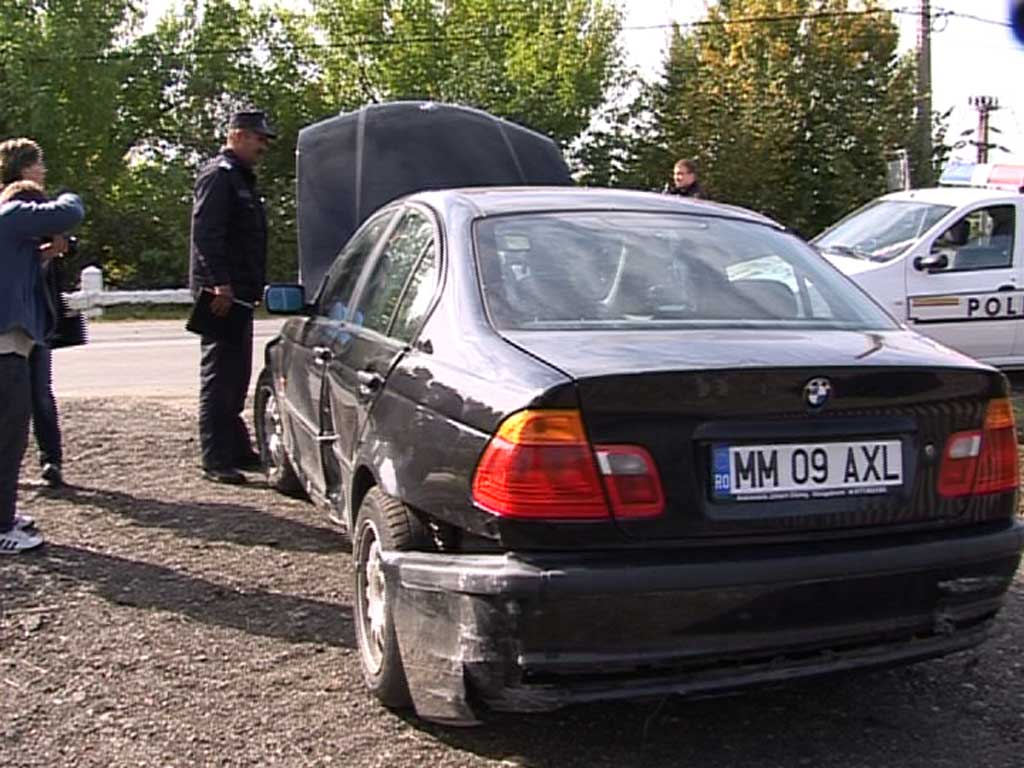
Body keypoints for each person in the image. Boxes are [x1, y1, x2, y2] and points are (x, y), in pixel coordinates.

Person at [0, 162, 84, 553]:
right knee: (8, 439)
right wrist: (64, 197)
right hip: (5, 351)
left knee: (11, 437)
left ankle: (4, 514)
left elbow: (22, 281)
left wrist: (48, 254)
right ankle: (2, 529)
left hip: (14, 348)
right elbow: (72, 211)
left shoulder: (12, 240)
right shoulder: (14, 213)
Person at [189, 109, 275, 484]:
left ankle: (235, 445)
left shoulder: (240, 178)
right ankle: (215, 456)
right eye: (258, 138)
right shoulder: (218, 176)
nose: (262, 147)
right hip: (221, 292)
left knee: (236, 373)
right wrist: (219, 282)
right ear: (238, 135)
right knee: (219, 373)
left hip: (238, 290)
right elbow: (206, 235)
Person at [0, 140, 66, 488]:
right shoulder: (14, 206)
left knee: (40, 390)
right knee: (19, 394)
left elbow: (64, 240)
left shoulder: (37, 204)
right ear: (22, 168)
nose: (43, 171)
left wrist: (56, 249)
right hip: (18, 316)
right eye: (38, 164)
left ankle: (51, 459)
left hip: (40, 309)